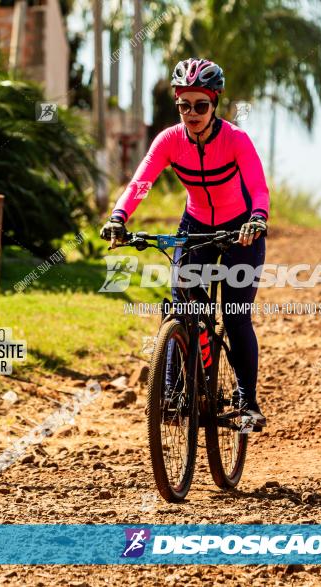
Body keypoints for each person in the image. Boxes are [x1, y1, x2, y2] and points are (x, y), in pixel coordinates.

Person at [99, 58, 270, 426]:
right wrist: (118, 216)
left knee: (236, 316)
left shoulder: (236, 140)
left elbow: (257, 186)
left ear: (215, 104)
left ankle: (247, 400)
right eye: (184, 106)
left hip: (241, 231)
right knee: (184, 308)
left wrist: (258, 218)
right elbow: (141, 182)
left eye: (201, 105)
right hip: (195, 227)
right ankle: (177, 392)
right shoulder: (170, 140)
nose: (191, 114)